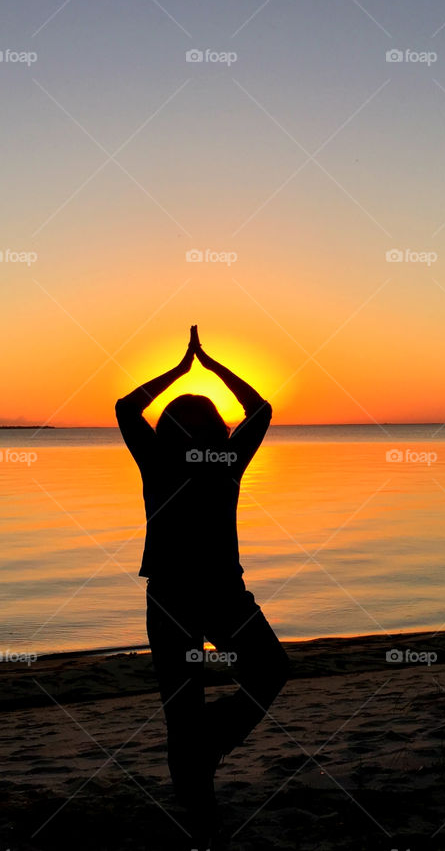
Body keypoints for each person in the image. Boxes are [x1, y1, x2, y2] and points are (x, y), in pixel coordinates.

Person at [115, 325, 290, 842]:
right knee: (261, 675)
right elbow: (260, 409)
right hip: (204, 593)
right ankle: (202, 803)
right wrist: (207, 365)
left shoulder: (163, 460)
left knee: (193, 706)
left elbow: (127, 408)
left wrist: (182, 369)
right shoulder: (224, 462)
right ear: (216, 428)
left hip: (185, 593)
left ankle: (204, 765)